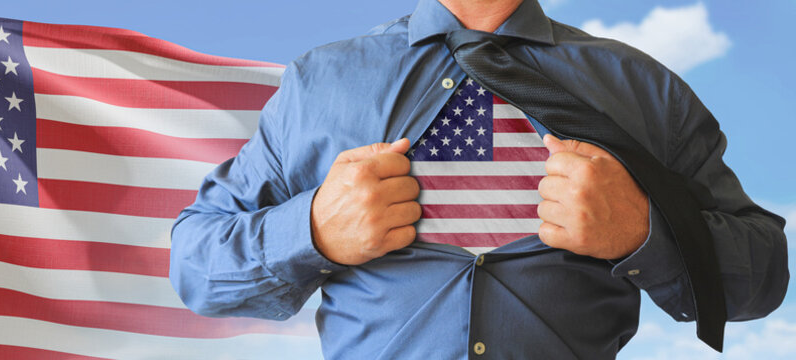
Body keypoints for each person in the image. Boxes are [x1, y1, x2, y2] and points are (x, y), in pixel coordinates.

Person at [168, 0, 789, 358]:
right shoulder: (318, 84)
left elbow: (763, 277)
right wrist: (312, 232)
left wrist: (645, 232)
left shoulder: (643, 89)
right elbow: (196, 268)